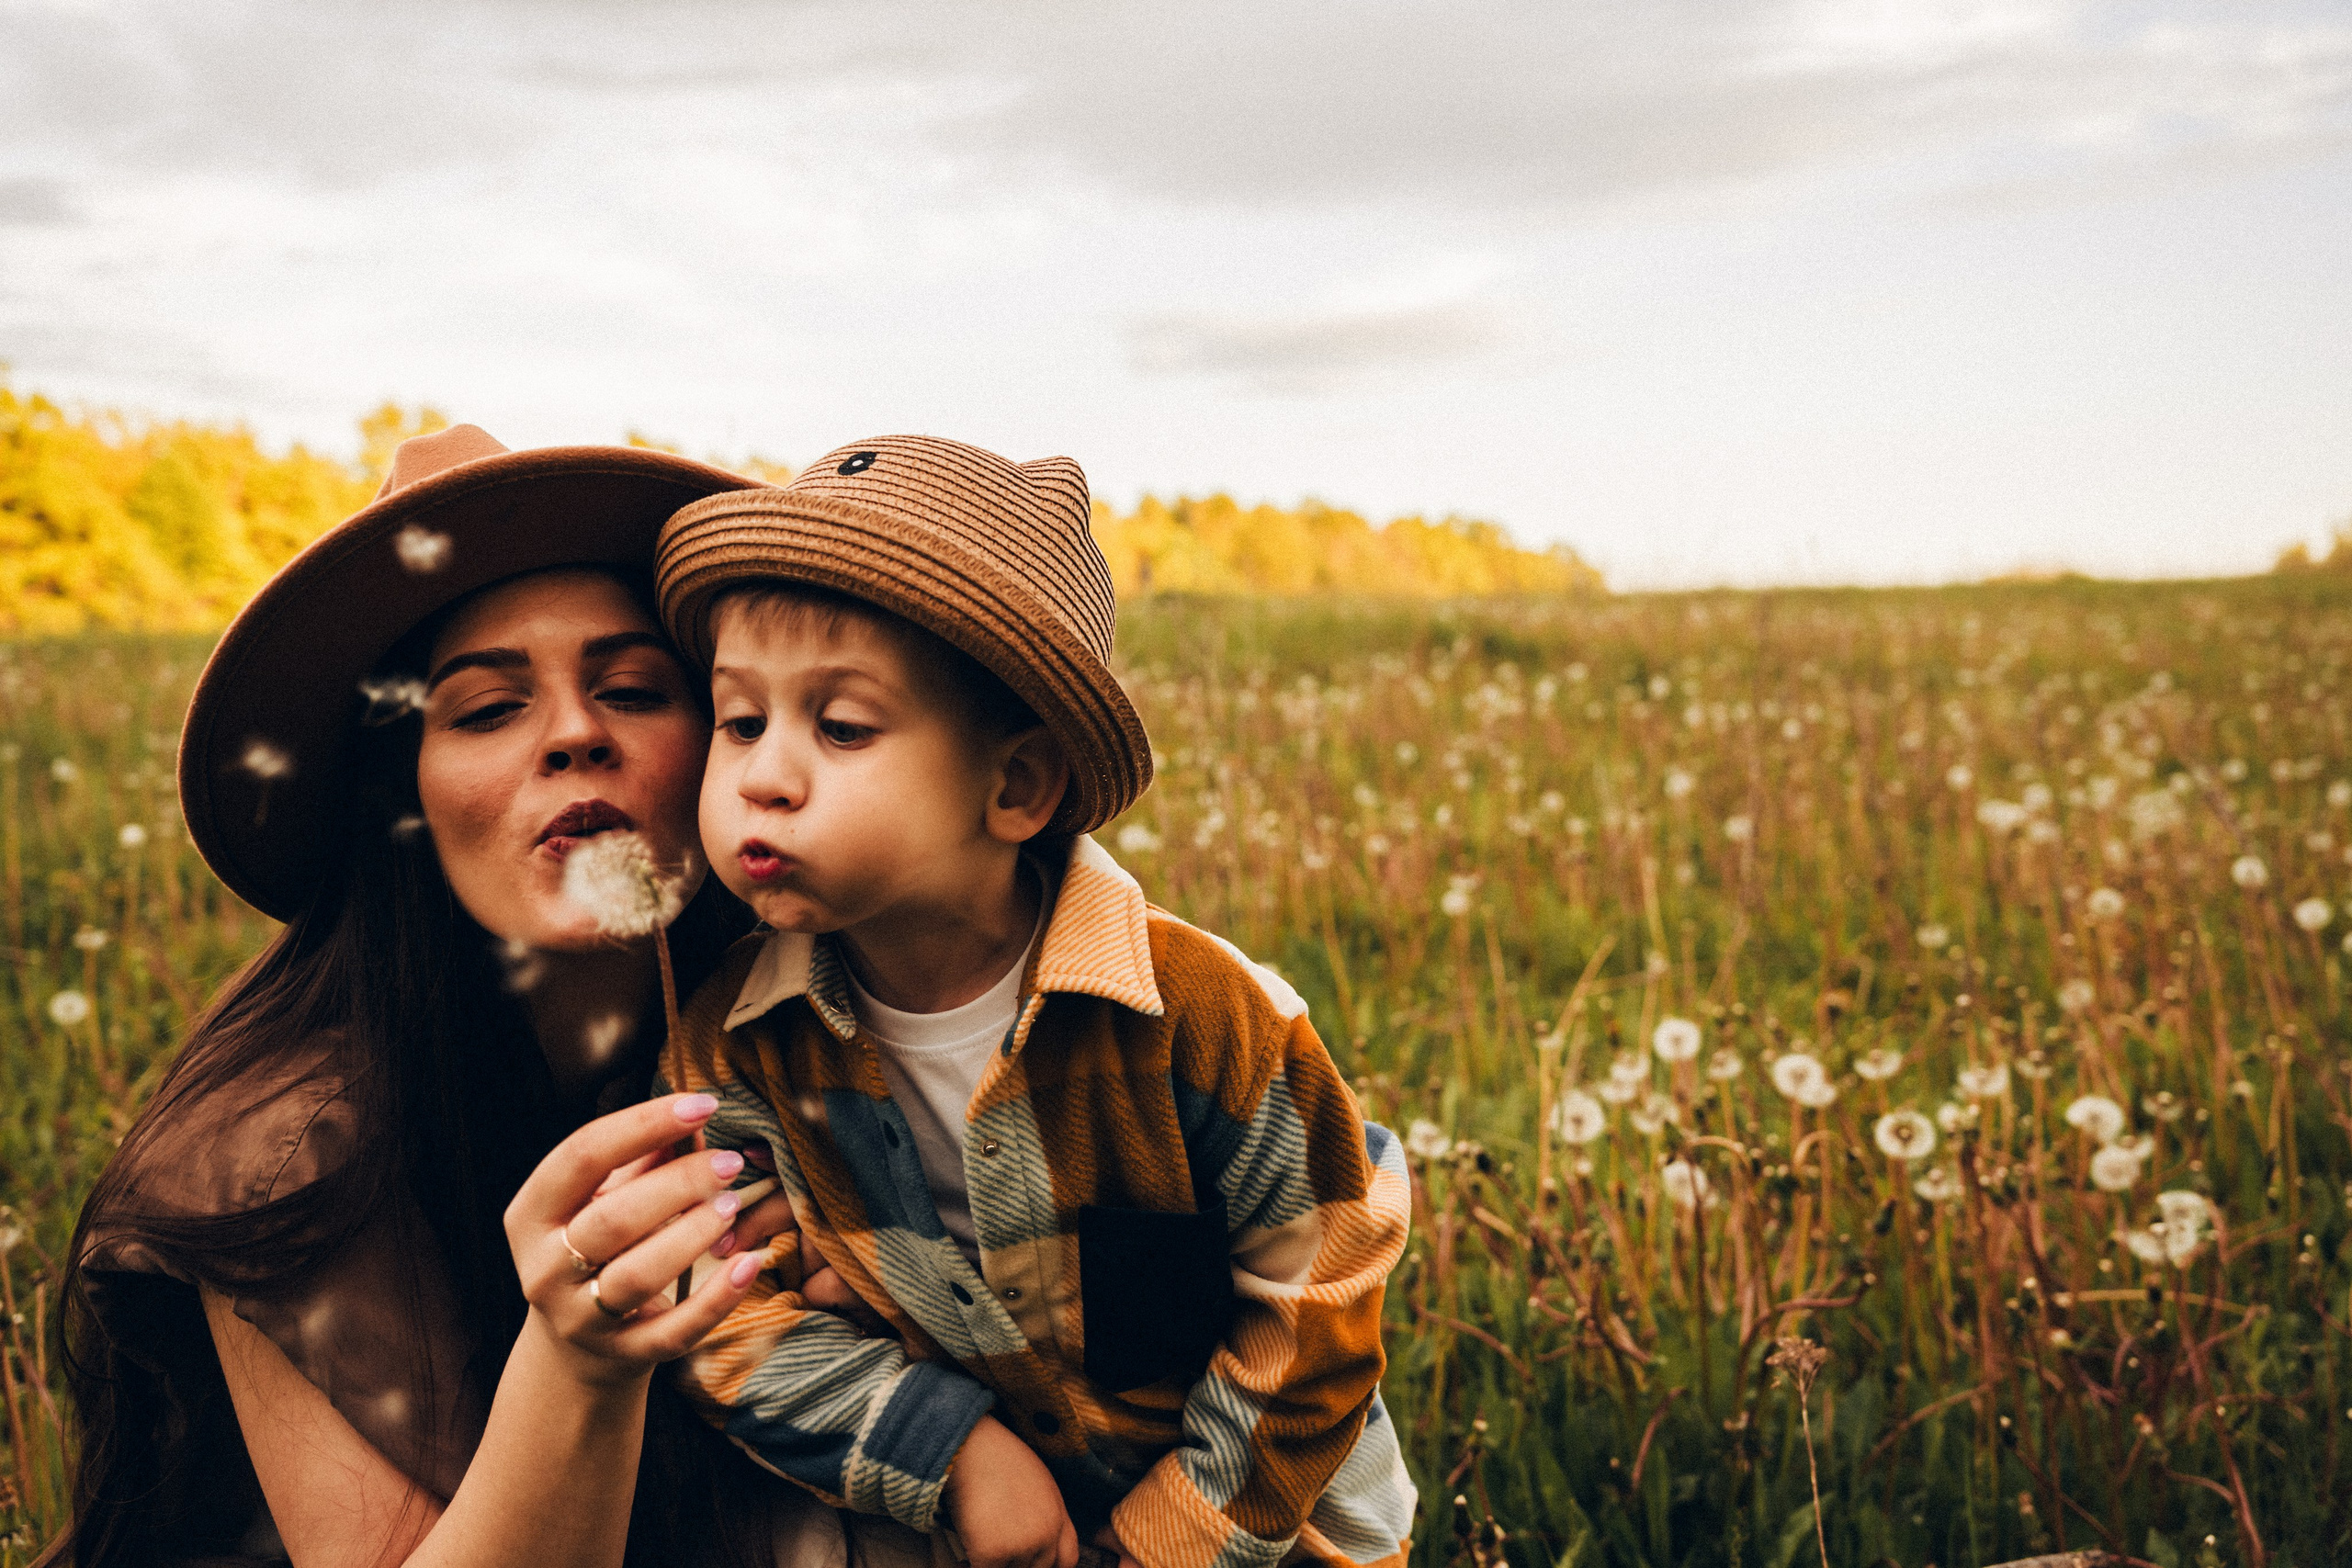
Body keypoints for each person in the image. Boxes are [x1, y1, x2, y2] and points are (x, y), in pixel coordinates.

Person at [49, 425, 865, 1568]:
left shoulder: (812, 1038)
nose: (575, 733)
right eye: (485, 710)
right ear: (404, 798)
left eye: (635, 690)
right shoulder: (281, 1159)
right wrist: (580, 1362)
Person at [650, 436, 1418, 1568]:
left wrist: (1166, 1543)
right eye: (740, 722)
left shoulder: (1202, 1018)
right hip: (983, 1524)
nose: (763, 776)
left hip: (1257, 1522)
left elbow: (1318, 1292)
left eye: (842, 726)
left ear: (1014, 786)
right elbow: (722, 1314)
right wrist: (949, 1453)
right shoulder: (730, 1048)